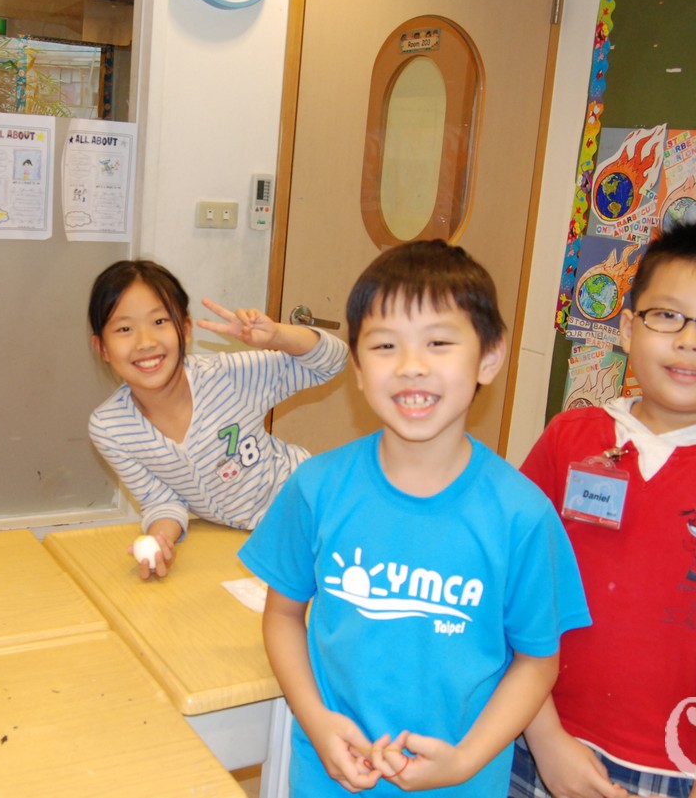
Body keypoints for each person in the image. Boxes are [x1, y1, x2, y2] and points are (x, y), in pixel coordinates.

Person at [240, 240, 590, 795]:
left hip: (463, 782)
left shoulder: (522, 515)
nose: (411, 367)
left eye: (439, 342)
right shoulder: (316, 487)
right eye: (384, 345)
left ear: (490, 357)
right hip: (332, 777)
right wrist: (317, 721)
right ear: (357, 368)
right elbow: (282, 617)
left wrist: (466, 760)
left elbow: (537, 661)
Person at [511, 224, 696, 798]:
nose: (690, 341)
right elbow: (518, 592)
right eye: (667, 316)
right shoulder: (570, 436)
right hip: (527, 727)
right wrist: (545, 737)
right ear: (629, 329)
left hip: (667, 763)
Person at [87, 259, 347, 579]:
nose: (145, 342)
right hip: (254, 538)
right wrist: (161, 540)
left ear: (185, 329)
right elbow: (161, 501)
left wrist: (278, 336)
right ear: (102, 348)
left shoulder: (227, 377)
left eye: (159, 321)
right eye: (124, 329)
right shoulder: (110, 428)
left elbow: (333, 362)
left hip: (316, 505)